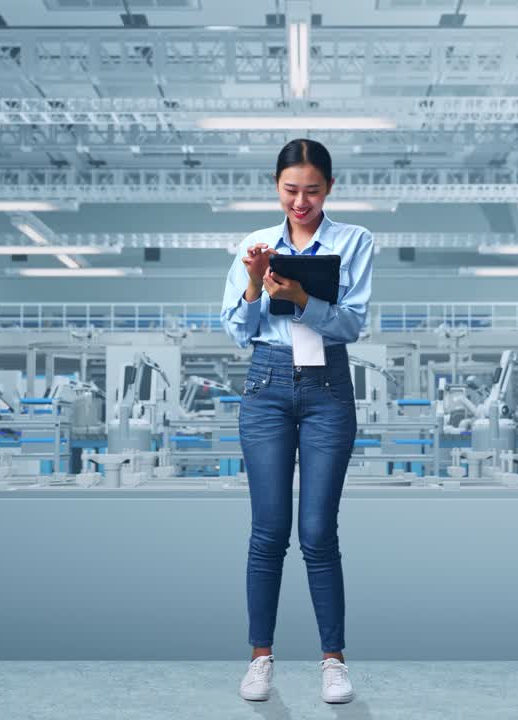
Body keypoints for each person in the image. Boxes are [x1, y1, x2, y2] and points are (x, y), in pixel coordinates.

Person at [219, 138, 373, 704]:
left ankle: (332, 661)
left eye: (311, 190)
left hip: (328, 388)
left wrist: (305, 297)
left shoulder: (354, 241)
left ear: (329, 187)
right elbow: (238, 332)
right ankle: (260, 658)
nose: (301, 201)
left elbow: (353, 325)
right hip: (266, 385)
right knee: (268, 531)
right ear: (277, 187)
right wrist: (258, 282)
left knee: (317, 532)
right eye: (290, 190)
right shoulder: (252, 244)